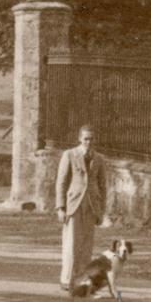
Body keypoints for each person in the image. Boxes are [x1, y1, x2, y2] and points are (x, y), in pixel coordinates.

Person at [55, 124, 107, 293]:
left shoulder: (99, 159)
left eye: (91, 139)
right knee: (71, 243)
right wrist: (60, 207)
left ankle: (82, 279)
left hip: (91, 206)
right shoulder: (69, 155)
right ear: (79, 139)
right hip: (74, 204)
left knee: (86, 245)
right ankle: (67, 279)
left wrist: (101, 211)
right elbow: (61, 182)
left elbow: (102, 186)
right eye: (85, 139)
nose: (88, 142)